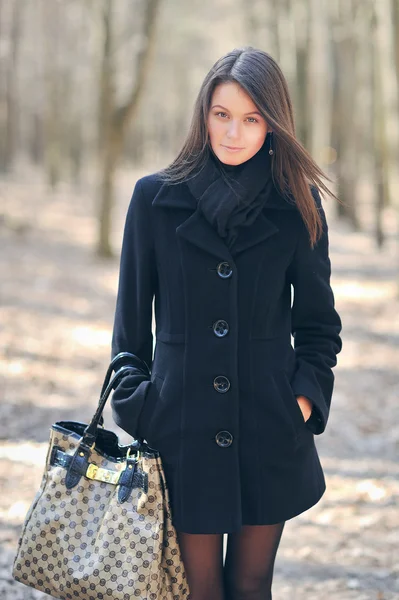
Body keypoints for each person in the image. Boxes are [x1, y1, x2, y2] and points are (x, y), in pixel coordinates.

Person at [110, 46, 343, 600]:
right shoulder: (155, 200)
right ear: (203, 115)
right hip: (180, 429)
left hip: (268, 427)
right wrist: (145, 409)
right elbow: (128, 333)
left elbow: (318, 326)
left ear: (273, 123)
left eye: (251, 118)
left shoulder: (297, 205)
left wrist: (301, 402)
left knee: (251, 584)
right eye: (222, 115)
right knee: (199, 588)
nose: (234, 132)